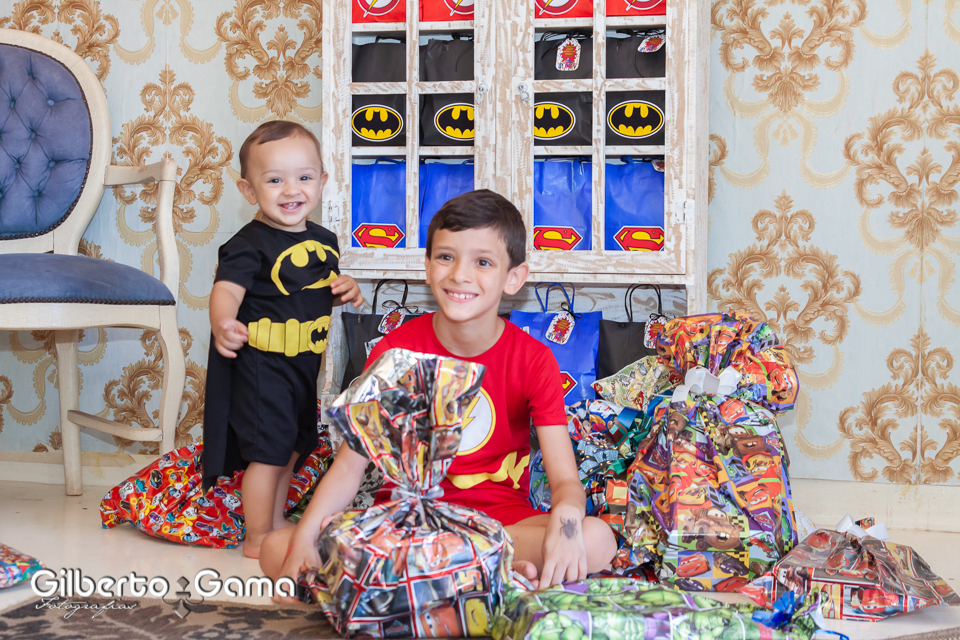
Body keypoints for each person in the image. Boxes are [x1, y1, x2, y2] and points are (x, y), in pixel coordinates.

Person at [259, 189, 617, 588]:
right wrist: (305, 539)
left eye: (483, 262)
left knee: (595, 539)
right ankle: (481, 576)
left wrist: (567, 523)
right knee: (277, 547)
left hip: (500, 524)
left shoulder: (534, 359)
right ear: (428, 267)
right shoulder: (395, 350)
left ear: (514, 278)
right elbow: (348, 468)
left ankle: (430, 578)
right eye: (446, 257)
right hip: (406, 526)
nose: (460, 274)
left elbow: (565, 481)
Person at [202, 120, 363, 559]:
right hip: (262, 366)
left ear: (322, 182)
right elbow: (226, 290)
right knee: (267, 452)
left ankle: (275, 522)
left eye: (304, 177)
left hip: (302, 366)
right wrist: (223, 322)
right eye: (275, 180)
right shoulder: (248, 245)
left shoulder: (324, 241)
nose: (292, 190)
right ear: (249, 190)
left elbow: (318, 288)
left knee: (291, 449)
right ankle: (257, 535)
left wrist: (345, 287)